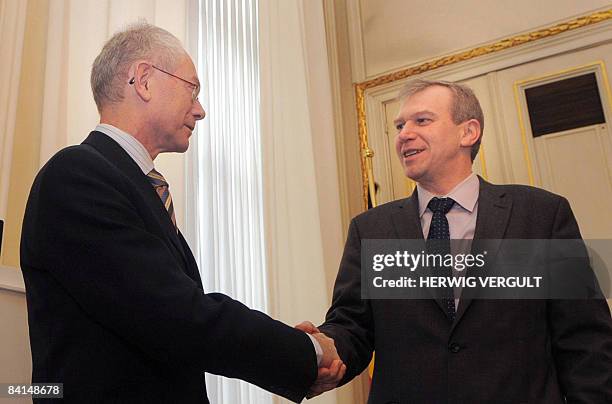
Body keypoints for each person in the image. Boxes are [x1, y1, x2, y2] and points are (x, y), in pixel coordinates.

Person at [20, 22, 344, 403]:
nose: (201, 109)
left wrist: (293, 348)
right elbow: (176, 316)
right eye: (193, 88)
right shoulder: (77, 175)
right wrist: (304, 351)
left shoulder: (135, 185)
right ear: (143, 80)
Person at [298, 79, 612, 402]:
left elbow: (586, 341)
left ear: (468, 132)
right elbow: (353, 329)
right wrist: (323, 347)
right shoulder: (371, 229)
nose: (404, 133)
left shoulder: (541, 216)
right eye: (399, 125)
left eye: (422, 121)